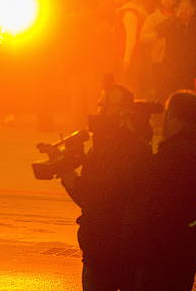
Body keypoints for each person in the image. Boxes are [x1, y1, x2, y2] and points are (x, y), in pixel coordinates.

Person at [59, 84, 153, 290]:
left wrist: (67, 174)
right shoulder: (132, 145)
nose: (100, 114)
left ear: (122, 112)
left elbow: (91, 199)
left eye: (106, 108)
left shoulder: (122, 150)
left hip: (106, 248)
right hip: (120, 248)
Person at [135, 91, 196, 291]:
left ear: (177, 119)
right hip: (183, 245)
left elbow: (148, 186)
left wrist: (140, 144)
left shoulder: (179, 152)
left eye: (168, 115)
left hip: (167, 248)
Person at [140, 0, 177, 104]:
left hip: (176, 61)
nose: (167, 1)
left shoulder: (178, 16)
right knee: (161, 92)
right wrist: (157, 35)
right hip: (159, 60)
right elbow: (142, 38)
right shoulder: (153, 18)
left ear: (175, 0)